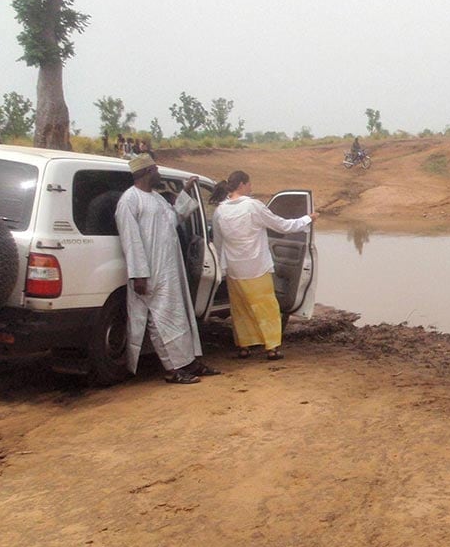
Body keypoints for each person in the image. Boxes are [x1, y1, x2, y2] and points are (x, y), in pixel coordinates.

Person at [114, 153, 221, 384]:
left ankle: (189, 362)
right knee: (159, 320)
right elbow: (131, 241)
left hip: (170, 271)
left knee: (178, 318)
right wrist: (139, 274)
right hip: (150, 273)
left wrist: (187, 193)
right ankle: (173, 370)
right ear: (145, 173)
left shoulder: (157, 198)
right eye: (155, 170)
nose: (159, 174)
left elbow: (174, 218)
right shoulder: (129, 201)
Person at [210, 170, 318, 360]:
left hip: (235, 269)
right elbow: (282, 225)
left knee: (241, 309)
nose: (251, 187)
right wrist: (307, 219)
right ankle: (272, 348)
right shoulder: (253, 206)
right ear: (242, 184)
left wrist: (221, 267)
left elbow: (219, 243)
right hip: (256, 267)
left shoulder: (220, 211)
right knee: (267, 308)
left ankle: (244, 346)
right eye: (249, 184)